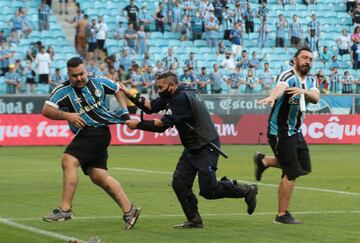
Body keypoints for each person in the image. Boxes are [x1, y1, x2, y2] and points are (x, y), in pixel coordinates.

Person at [119, 71, 258, 228]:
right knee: (180, 182)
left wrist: (138, 125)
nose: (158, 90)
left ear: (172, 86)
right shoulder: (178, 93)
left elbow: (161, 126)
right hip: (193, 147)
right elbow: (151, 106)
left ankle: (246, 189)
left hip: (206, 146)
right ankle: (194, 220)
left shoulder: (180, 99)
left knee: (209, 190)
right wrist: (127, 93)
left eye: (161, 87)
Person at [42, 57, 141, 230]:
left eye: (81, 74)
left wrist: (125, 111)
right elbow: (47, 110)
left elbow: (118, 89)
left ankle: (65, 209)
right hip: (91, 133)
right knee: (98, 176)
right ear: (69, 75)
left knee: (68, 161)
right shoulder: (63, 91)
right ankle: (129, 210)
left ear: (86, 71)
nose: (79, 78)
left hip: (95, 132)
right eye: (74, 76)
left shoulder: (99, 83)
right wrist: (68, 116)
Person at [255, 47, 320, 224]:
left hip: (296, 131)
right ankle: (281, 215)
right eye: (304, 58)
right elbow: (280, 87)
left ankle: (265, 161)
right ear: (295, 60)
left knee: (304, 168)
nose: (307, 61)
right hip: (280, 132)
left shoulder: (312, 80)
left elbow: (315, 97)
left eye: (310, 59)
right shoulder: (288, 75)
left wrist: (303, 92)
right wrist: (271, 97)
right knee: (291, 172)